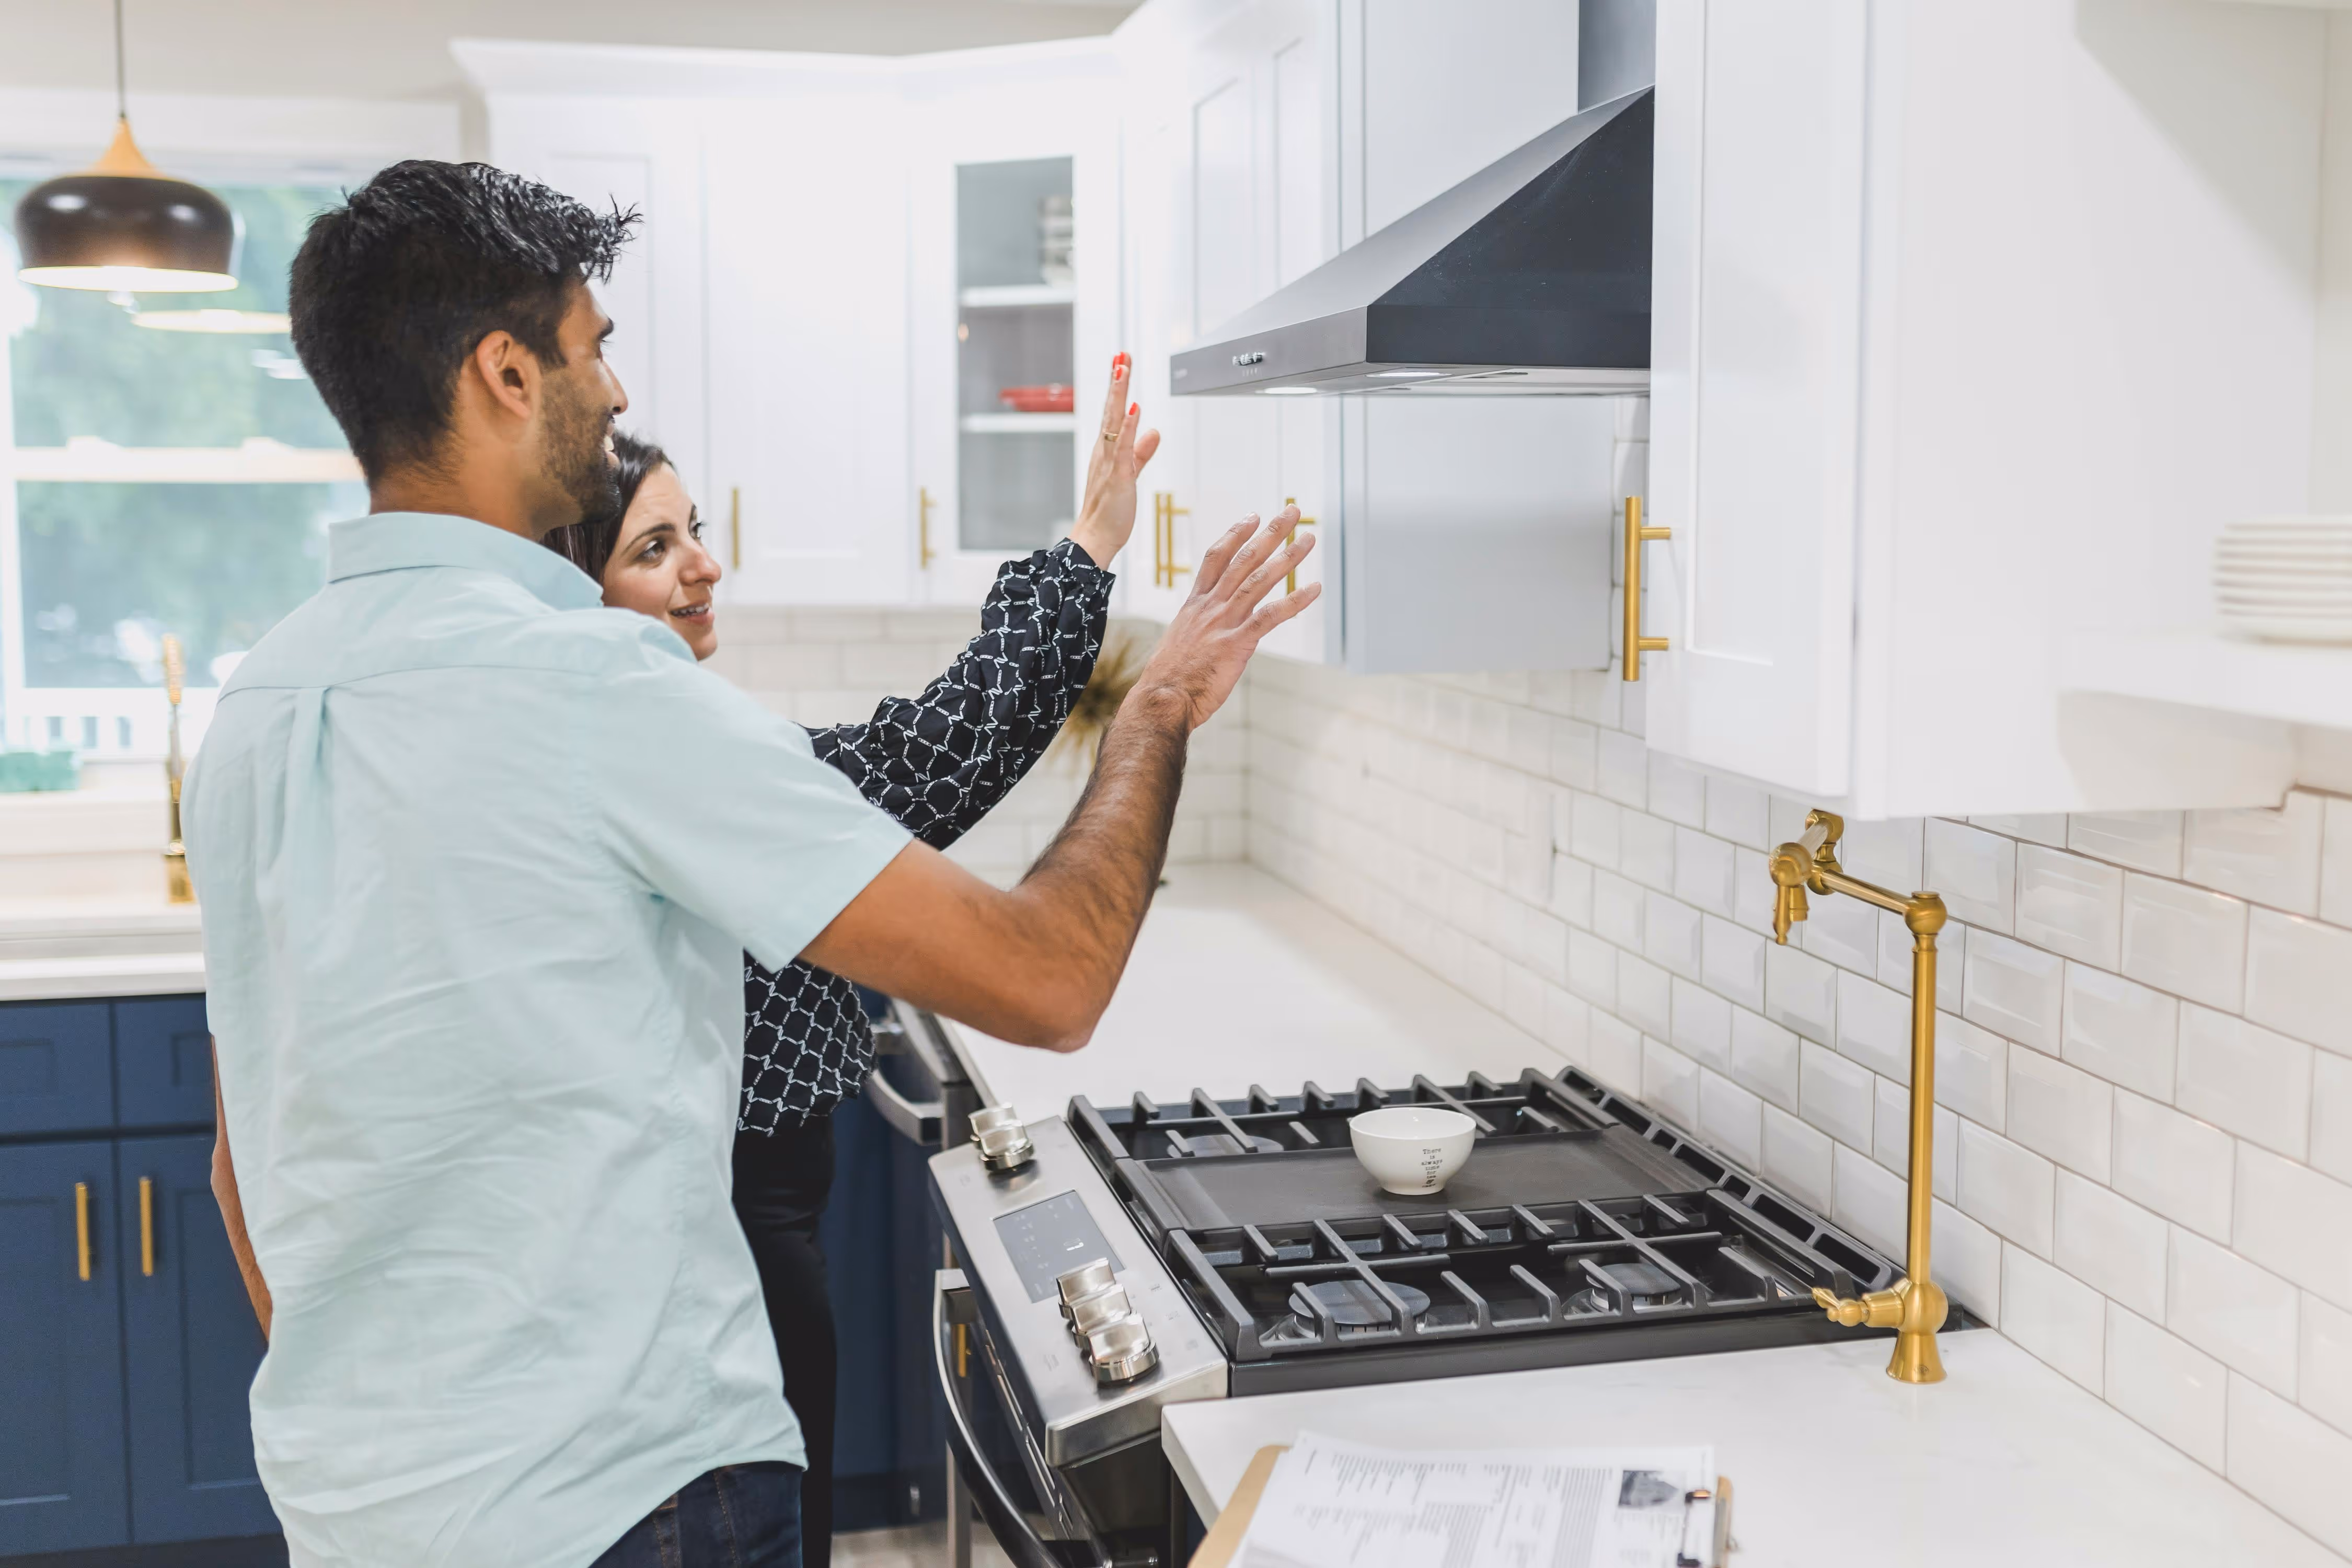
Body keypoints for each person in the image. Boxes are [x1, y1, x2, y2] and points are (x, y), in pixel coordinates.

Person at [188, 159, 1316, 1568]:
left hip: (360, 1520)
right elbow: (1052, 978)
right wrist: (1149, 710)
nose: (610, 392)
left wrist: (400, 1447)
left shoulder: (253, 709)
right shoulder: (597, 688)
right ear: (504, 374)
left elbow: (244, 1167)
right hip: (631, 1502)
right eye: (591, 348)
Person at [540, 373, 1149, 1568]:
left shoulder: (633, 756)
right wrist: (1089, 552)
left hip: (719, 1233)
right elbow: (944, 750)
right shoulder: (681, 770)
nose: (703, 567)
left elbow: (926, 753)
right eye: (655, 549)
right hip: (735, 1239)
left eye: (695, 532)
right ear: (579, 595)